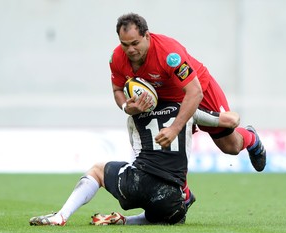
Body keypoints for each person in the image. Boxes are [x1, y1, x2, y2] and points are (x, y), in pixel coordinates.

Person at [29, 101, 240, 226]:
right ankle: (131, 220)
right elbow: (231, 121)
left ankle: (61, 216)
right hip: (171, 200)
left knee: (97, 170)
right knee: (169, 207)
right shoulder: (187, 110)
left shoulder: (133, 118)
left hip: (136, 184)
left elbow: (136, 152)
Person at [110, 13, 266, 174]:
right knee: (167, 150)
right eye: (125, 44)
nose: (130, 50)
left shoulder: (169, 54)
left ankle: (251, 138)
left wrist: (175, 128)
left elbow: (194, 92)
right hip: (164, 100)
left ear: (147, 36)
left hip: (200, 91)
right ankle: (181, 194)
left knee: (231, 147)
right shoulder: (116, 58)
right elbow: (117, 89)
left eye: (135, 43)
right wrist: (126, 107)